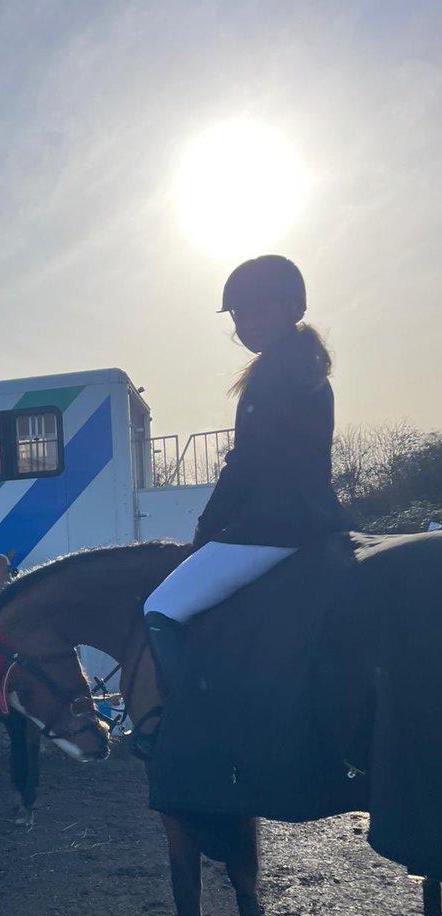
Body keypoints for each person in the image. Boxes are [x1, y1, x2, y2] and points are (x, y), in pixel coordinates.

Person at [134, 255, 351, 755]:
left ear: (289, 308)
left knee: (161, 609)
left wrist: (205, 534)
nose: (245, 324)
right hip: (315, 518)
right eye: (237, 316)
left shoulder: (274, 374)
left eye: (255, 311)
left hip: (272, 527)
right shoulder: (306, 366)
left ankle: (201, 726)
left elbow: (246, 465)